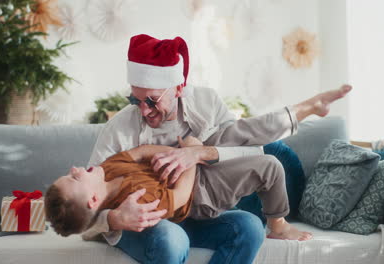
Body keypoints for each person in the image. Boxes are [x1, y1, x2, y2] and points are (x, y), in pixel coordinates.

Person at [76, 34, 352, 264]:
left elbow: (251, 148)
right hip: (148, 220)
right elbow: (84, 209)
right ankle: (301, 110)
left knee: (250, 227)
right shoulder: (120, 129)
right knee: (171, 239)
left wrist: (198, 153)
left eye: (152, 100)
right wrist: (115, 217)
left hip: (197, 202)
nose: (144, 110)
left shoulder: (205, 103)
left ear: (179, 87)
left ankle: (304, 109)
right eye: (136, 100)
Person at [45, 135, 313, 242]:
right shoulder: (137, 201)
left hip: (193, 171)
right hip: (200, 196)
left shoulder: (107, 169)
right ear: (93, 200)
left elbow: (140, 152)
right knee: (270, 166)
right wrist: (193, 155)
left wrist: (181, 155)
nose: (74, 170)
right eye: (74, 179)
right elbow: (180, 197)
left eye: (69, 174)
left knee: (257, 149)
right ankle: (278, 227)